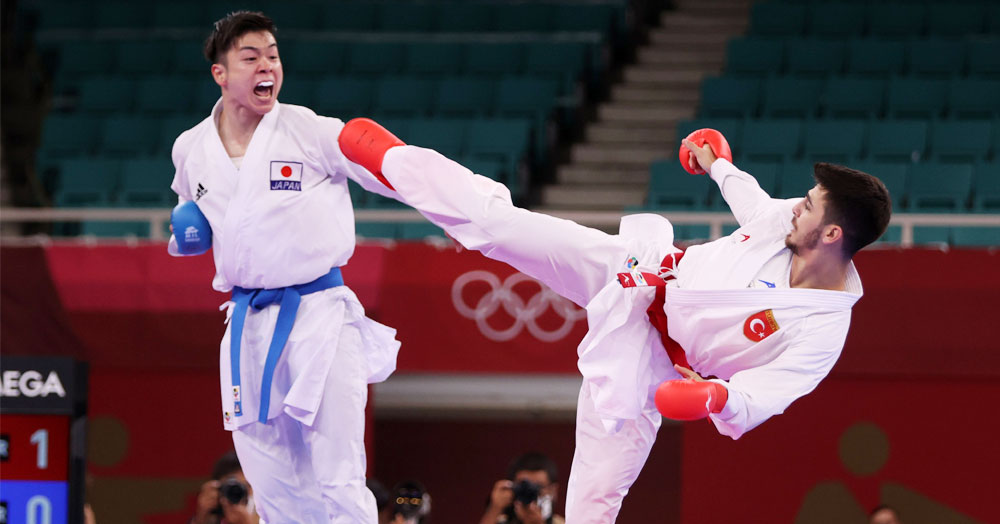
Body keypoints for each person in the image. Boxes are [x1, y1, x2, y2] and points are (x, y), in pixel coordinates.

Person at [336, 119, 891, 523]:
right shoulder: (788, 223)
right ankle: (394, 160)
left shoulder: (821, 329)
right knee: (499, 226)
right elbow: (756, 202)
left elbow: (768, 394)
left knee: (590, 505)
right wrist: (718, 163)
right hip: (638, 272)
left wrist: (715, 399)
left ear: (833, 235)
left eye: (811, 205)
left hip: (650, 366)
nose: (799, 205)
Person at [167, 12, 402, 523]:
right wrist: (189, 235)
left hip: (320, 313)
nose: (266, 66)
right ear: (220, 73)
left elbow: (388, 170)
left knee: (339, 473)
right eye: (250, 58)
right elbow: (196, 213)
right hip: (247, 324)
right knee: (271, 481)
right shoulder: (190, 149)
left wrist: (438, 202)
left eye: (272, 56)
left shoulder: (310, 131)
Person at [480, 452, 564, 524]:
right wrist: (494, 509)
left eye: (538, 486)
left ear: (553, 490)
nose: (530, 492)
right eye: (524, 486)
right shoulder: (499, 520)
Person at [190, 451, 260, 524]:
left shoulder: (269, 518)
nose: (236, 493)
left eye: (246, 486)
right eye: (231, 487)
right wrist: (201, 519)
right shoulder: (208, 519)